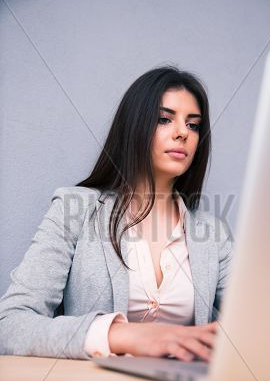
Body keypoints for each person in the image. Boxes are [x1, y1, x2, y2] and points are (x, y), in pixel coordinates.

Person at [0, 66, 232, 362]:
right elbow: (10, 324)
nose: (182, 133)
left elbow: (257, 326)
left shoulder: (214, 234)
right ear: (134, 125)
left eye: (194, 125)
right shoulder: (76, 209)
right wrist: (121, 334)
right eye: (164, 119)